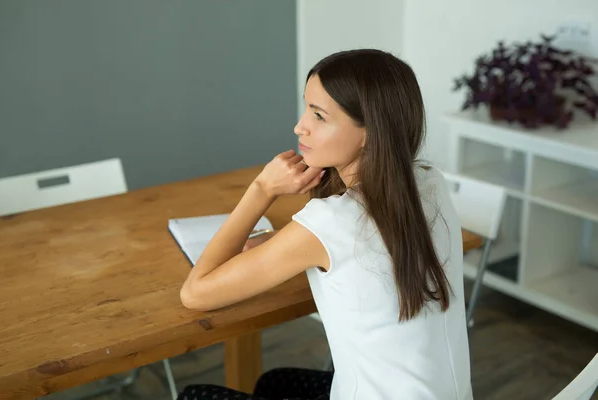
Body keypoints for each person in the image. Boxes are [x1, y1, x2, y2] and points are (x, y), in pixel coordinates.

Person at [177, 49, 473, 400]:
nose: (300, 126)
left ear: (369, 132)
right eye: (307, 108)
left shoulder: (331, 222)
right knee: (275, 383)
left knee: (195, 395)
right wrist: (283, 244)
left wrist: (262, 189)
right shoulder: (428, 181)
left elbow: (195, 294)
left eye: (319, 116)